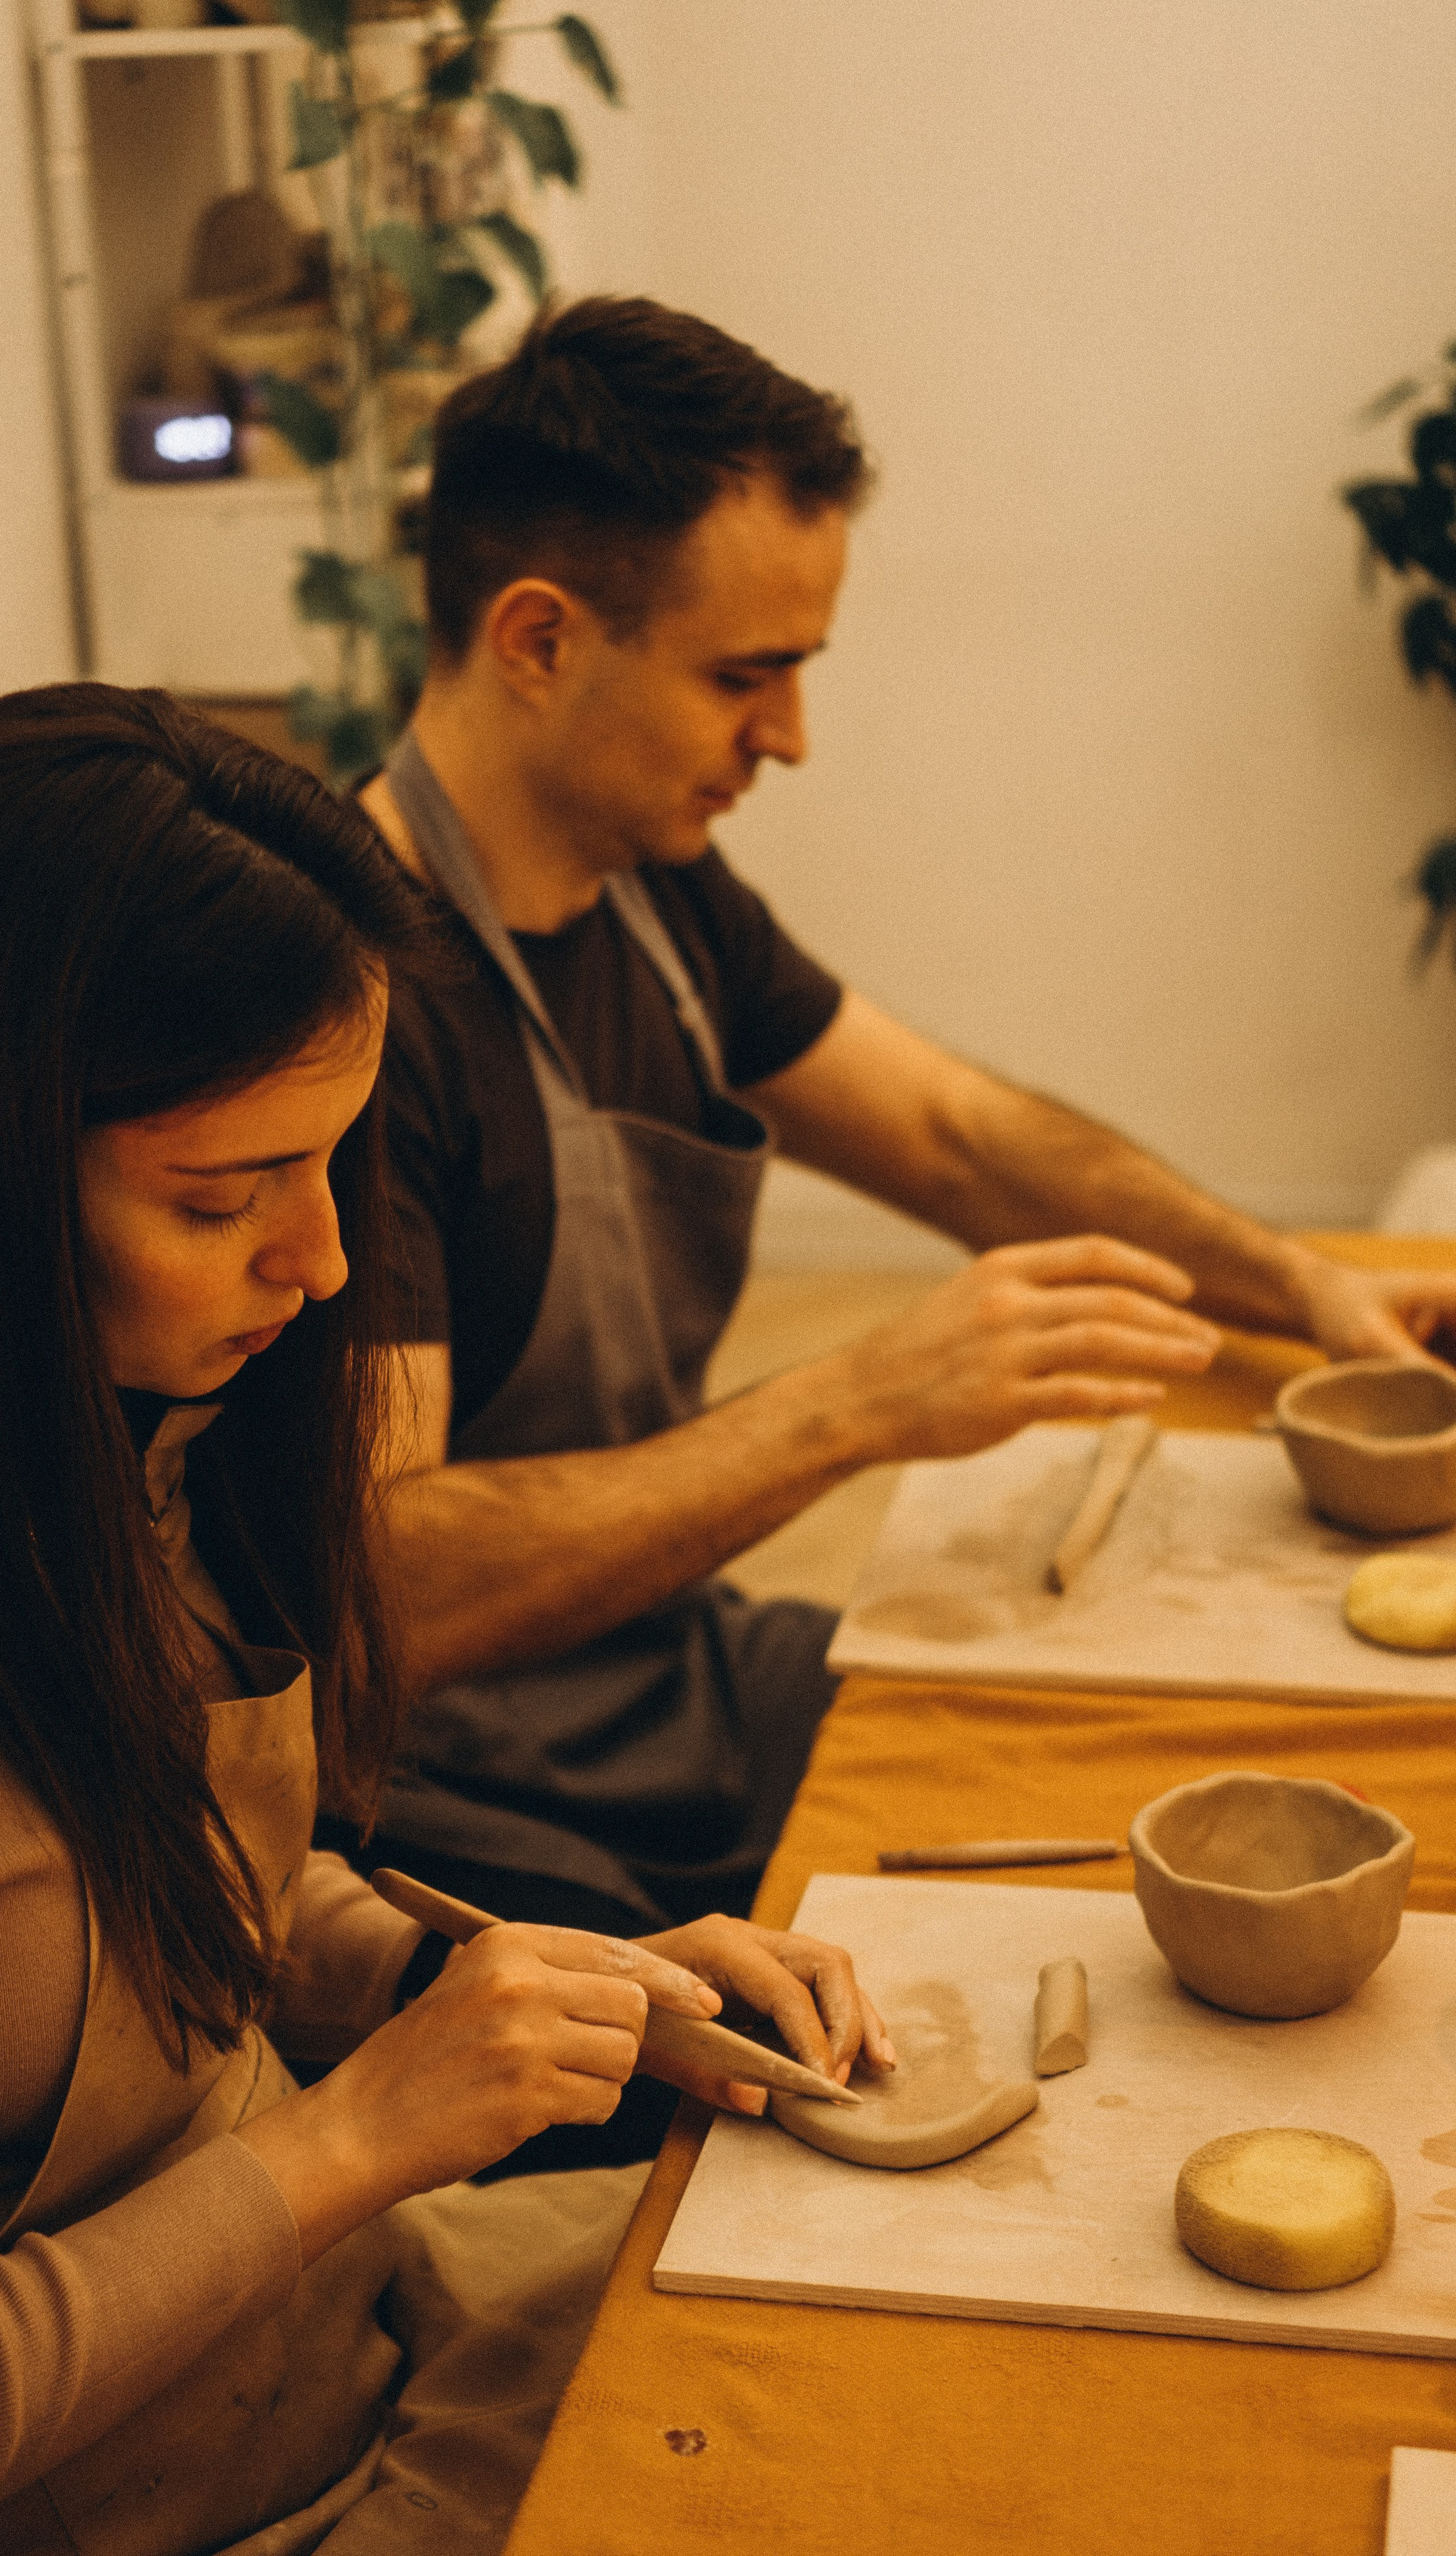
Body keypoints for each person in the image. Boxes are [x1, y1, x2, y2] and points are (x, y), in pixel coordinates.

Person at [0, 684, 887, 2556]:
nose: (327, 1263)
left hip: (353, 2347)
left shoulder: (139, 1423)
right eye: (226, 1198)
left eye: (335, 1164)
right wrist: (359, 2134)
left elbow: (194, 1903)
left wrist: (511, 1986)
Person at [349, 293, 1456, 1998]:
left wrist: (1300, 1280)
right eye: (746, 674)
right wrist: (861, 1405)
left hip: (672, 1674)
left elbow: (952, 1136)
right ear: (537, 639)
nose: (788, 734)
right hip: (446, 1794)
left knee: (1111, 1778)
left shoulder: (650, 893)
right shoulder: (346, 1007)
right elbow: (382, 1590)